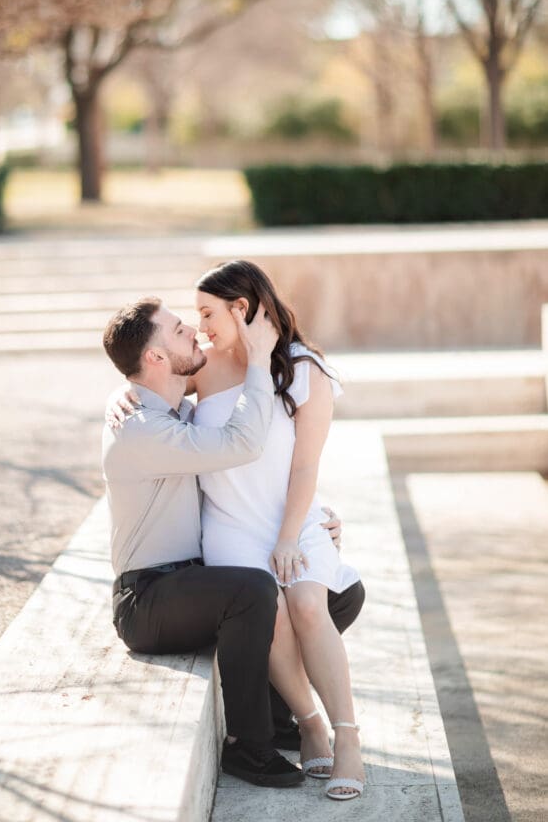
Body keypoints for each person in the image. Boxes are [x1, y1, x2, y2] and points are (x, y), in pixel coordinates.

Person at [101, 297, 305, 788]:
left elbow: (260, 468)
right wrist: (257, 362)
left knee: (319, 593)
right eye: (176, 330)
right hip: (147, 599)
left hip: (188, 584)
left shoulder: (172, 412)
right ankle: (248, 747)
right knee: (254, 591)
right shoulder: (143, 429)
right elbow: (243, 443)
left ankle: (276, 718)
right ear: (154, 359)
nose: (192, 330)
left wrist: (312, 521)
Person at [192, 260, 365, 801]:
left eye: (207, 313)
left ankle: (348, 739)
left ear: (240, 308)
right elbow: (147, 396)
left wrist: (291, 536)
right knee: (276, 621)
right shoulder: (201, 366)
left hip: (289, 518)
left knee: (309, 606)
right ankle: (308, 722)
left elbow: (305, 467)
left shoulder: (302, 366)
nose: (200, 326)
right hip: (227, 527)